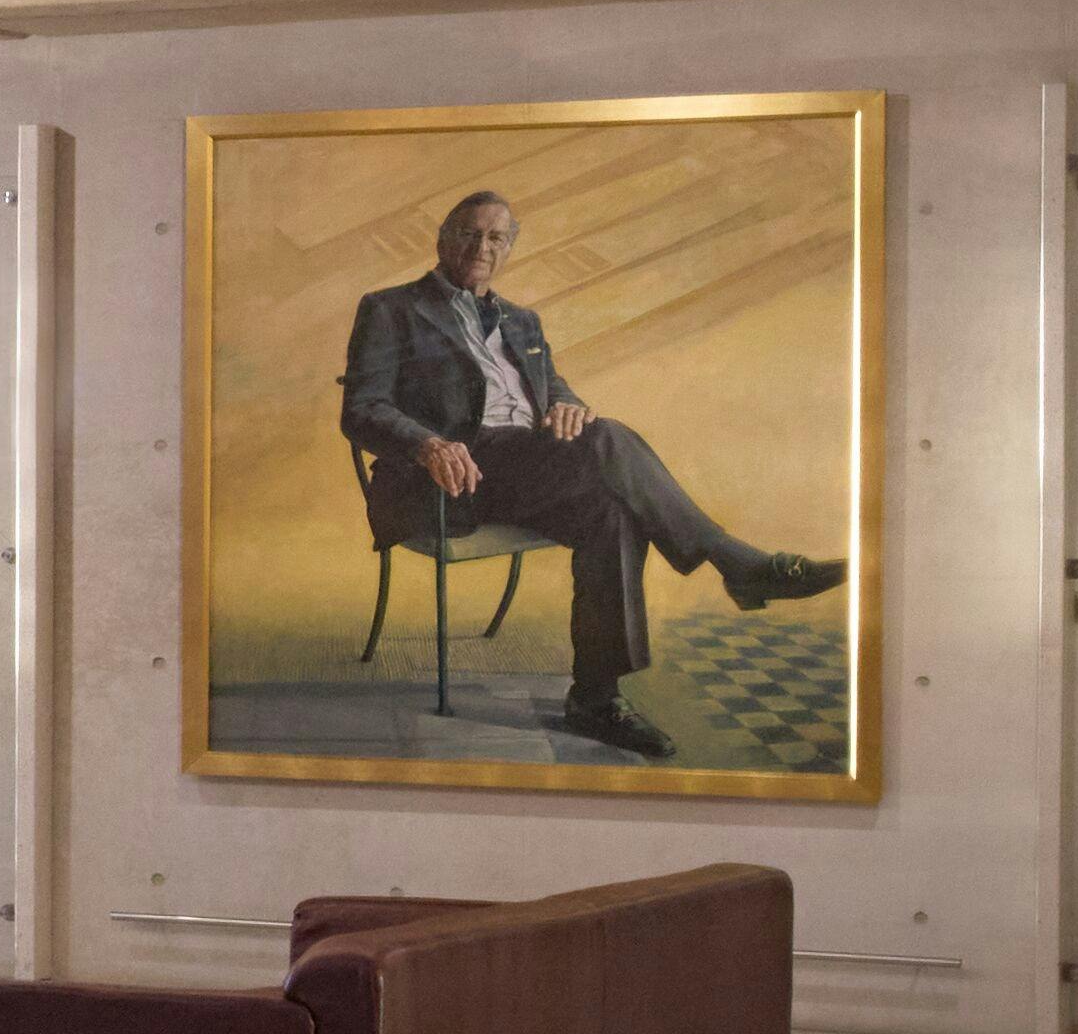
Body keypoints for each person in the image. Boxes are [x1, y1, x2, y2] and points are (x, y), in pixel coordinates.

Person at [338, 190, 842, 759]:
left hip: (527, 466)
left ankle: (596, 698)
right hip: (450, 478)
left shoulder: (523, 322)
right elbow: (362, 408)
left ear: (508, 251)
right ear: (442, 241)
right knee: (608, 441)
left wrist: (568, 405)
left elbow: (553, 389)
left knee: (612, 510)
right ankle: (737, 563)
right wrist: (428, 443)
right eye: (470, 234)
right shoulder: (390, 308)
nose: (482, 247)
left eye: (496, 238)